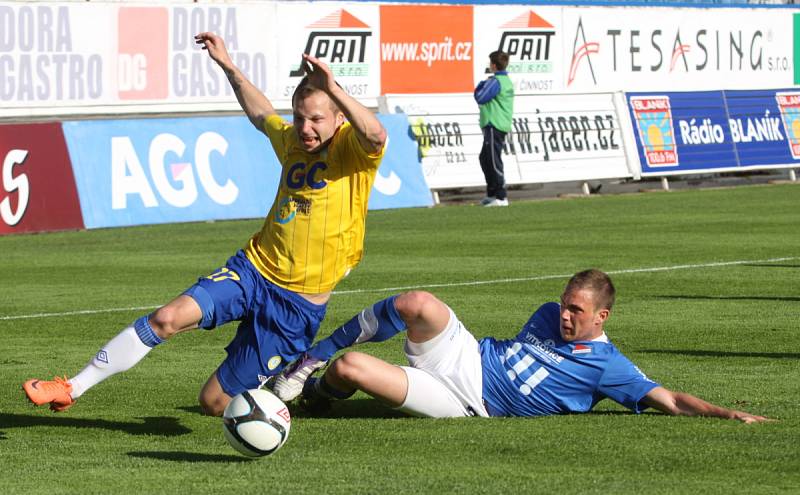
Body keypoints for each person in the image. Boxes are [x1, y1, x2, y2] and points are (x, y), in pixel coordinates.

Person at [22, 31, 387, 416]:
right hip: (252, 270)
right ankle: (71, 387)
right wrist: (229, 67)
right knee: (167, 318)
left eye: (316, 119)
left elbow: (376, 134)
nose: (305, 127)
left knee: (214, 403)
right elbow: (263, 115)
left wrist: (334, 87)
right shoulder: (294, 142)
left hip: (296, 306)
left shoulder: (353, 151)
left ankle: (293, 382)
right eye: (300, 117)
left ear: (339, 117)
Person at [292, 269, 769, 423]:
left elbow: (669, 399)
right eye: (565, 305)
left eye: (576, 312)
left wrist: (727, 414)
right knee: (419, 302)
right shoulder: (545, 313)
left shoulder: (608, 366)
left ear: (602, 317)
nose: (564, 314)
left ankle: (319, 395)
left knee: (352, 368)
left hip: (464, 401)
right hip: (466, 354)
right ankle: (312, 359)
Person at [474, 50, 514, 207]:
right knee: (485, 158)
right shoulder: (506, 81)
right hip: (500, 123)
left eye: (490, 63)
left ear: (494, 65)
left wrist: (481, 85)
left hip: (494, 124)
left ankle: (501, 196)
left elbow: (480, 96)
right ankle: (491, 193)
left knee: (493, 160)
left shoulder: (496, 81)